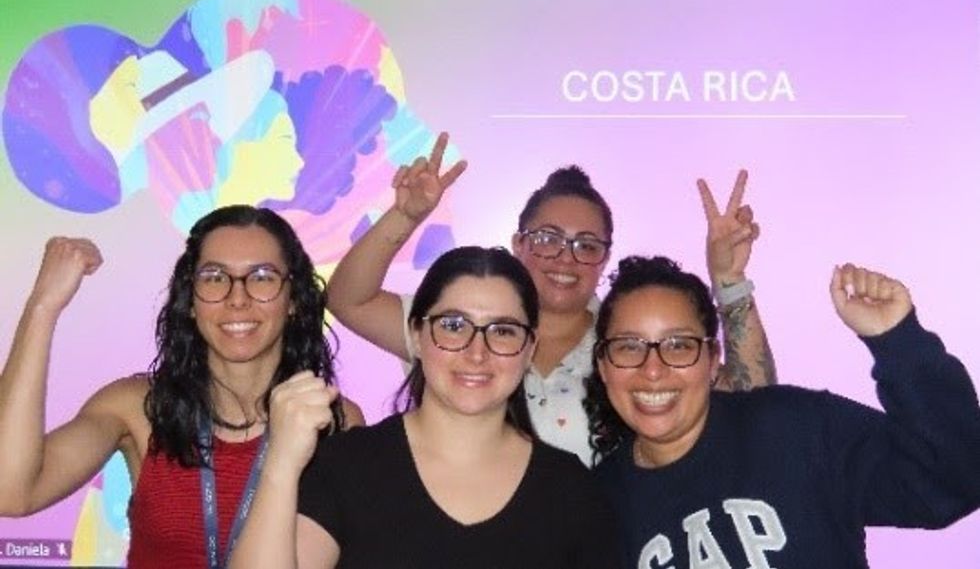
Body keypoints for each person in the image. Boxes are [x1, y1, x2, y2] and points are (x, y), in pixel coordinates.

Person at [325, 131, 776, 465]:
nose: (565, 257)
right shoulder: (463, 332)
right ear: (519, 243)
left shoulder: (629, 347)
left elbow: (754, 402)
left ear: (604, 258)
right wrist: (405, 216)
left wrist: (730, 280)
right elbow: (350, 301)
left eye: (586, 244)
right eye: (547, 239)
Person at [0, 205, 363, 568]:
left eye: (262, 277)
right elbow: (11, 492)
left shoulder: (331, 419)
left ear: (294, 299)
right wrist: (42, 306)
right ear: (190, 300)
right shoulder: (138, 407)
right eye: (215, 277)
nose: (238, 298)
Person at [228, 247, 620, 569]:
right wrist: (281, 463)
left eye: (503, 331)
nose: (476, 352)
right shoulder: (346, 465)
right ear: (416, 334)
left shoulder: (571, 490)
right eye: (453, 325)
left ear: (529, 348)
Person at [587, 256, 980, 568]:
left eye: (678, 345)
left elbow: (952, 480)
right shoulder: (598, 504)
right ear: (603, 365)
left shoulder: (793, 429)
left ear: (712, 359)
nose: (652, 370)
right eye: (628, 346)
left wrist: (899, 341)